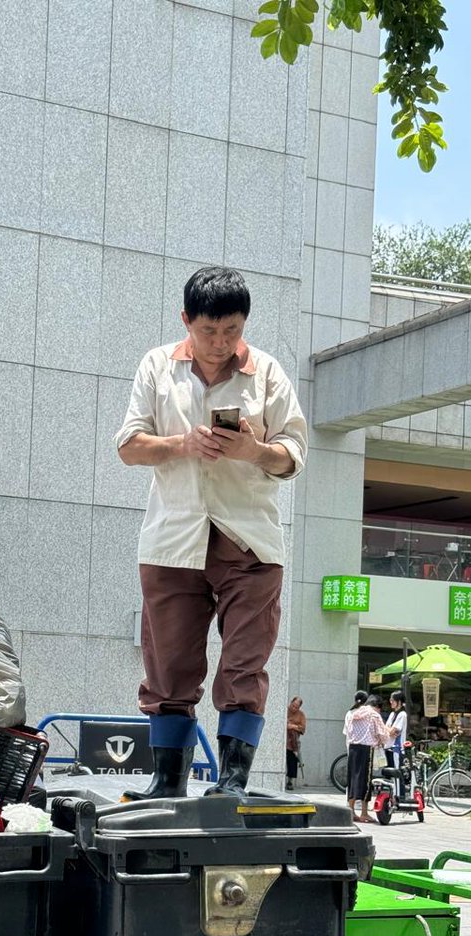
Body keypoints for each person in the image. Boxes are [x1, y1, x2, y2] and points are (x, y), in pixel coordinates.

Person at [115, 266, 308, 802]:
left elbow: (294, 455)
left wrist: (254, 450)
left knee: (245, 662)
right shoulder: (156, 366)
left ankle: (233, 781)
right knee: (168, 665)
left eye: (232, 331)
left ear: (244, 324)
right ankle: (168, 781)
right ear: (186, 321)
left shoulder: (267, 372)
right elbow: (128, 445)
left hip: (250, 541)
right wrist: (181, 444)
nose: (221, 343)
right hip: (173, 538)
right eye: (208, 331)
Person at [345, 693, 390, 823]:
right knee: (366, 780)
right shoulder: (374, 715)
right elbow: (383, 735)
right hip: (366, 749)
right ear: (377, 706)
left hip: (353, 748)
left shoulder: (355, 713)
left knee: (353, 778)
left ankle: (351, 810)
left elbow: (349, 731)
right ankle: (364, 812)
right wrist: (384, 737)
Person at [385, 690, 408, 799]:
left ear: (399, 702)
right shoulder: (392, 714)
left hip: (397, 749)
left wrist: (389, 730)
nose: (390, 702)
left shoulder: (402, 714)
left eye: (392, 700)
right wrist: (389, 730)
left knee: (397, 772)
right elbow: (386, 729)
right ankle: (393, 796)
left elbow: (393, 732)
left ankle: (400, 796)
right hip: (389, 747)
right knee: (391, 773)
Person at [285, 697, 306, 791]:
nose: (293, 708)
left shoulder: (301, 715)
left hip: (293, 743)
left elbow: (303, 729)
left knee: (292, 762)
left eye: (296, 707)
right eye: (293, 705)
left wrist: (293, 726)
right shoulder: (285, 710)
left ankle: (290, 781)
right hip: (284, 739)